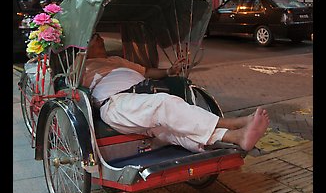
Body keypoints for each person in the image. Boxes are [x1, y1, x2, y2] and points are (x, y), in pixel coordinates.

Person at [82, 33, 270, 153]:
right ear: (84, 44)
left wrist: (170, 72)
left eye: (99, 35)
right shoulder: (80, 66)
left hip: (142, 96)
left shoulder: (116, 60)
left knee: (177, 131)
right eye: (94, 36)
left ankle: (235, 137)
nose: (100, 38)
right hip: (116, 103)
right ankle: (235, 123)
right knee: (164, 104)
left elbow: (146, 72)